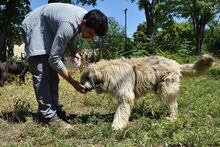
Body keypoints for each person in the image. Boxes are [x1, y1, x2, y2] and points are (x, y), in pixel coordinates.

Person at [21, 3, 108, 128]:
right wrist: (73, 82)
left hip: (48, 28)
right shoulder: (69, 25)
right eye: (90, 33)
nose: (90, 37)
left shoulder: (85, 17)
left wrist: (74, 52)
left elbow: (70, 36)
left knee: (52, 75)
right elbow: (54, 58)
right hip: (35, 26)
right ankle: (48, 117)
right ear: (84, 22)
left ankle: (54, 109)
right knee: (42, 73)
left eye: (93, 36)